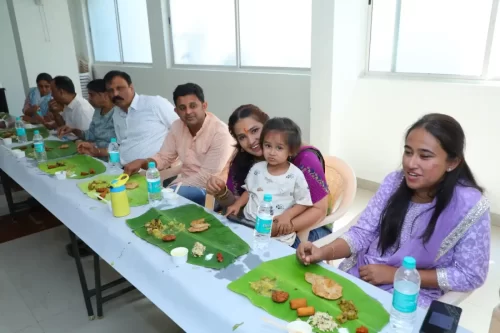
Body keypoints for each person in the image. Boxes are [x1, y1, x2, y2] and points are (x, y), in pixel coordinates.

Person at [296, 113, 491, 308]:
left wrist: (398, 276)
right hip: (364, 275)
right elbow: (362, 233)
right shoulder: (394, 183)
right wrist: (322, 252)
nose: (411, 163)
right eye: (408, 152)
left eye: (424, 156)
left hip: (412, 295)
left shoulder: (469, 206)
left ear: (453, 162)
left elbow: (470, 275)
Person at [206, 105, 331, 248]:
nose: (251, 140)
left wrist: (279, 228)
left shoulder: (304, 159)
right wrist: (221, 192)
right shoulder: (249, 163)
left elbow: (318, 211)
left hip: (306, 229)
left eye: (255, 131)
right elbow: (240, 202)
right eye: (242, 137)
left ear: (267, 126)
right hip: (259, 225)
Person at [124, 83, 235, 206]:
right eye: (182, 108)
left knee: (160, 201)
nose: (188, 112)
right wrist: (142, 162)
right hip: (183, 183)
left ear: (204, 106)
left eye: (193, 106)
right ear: (176, 111)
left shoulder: (221, 134)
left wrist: (172, 189)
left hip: (213, 192)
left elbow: (206, 178)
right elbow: (164, 157)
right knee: (138, 193)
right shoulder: (177, 126)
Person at [225, 118, 313, 246]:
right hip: (247, 225)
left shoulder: (296, 175)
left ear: (291, 151)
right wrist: (237, 205)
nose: (272, 152)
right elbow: (250, 191)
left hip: (276, 234)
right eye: (267, 146)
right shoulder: (257, 169)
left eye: (279, 148)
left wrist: (287, 216)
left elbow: (304, 202)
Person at [103, 70, 179, 165]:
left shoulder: (154, 104)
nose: (115, 94)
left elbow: (182, 130)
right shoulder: (116, 113)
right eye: (110, 90)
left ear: (131, 87)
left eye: (120, 88)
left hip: (152, 171)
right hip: (122, 169)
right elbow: (121, 143)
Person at [57, 79, 116, 160]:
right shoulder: (98, 111)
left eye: (92, 95)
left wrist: (96, 151)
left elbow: (121, 146)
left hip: (112, 159)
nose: (89, 98)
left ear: (105, 95)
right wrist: (73, 130)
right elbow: (89, 135)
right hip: (95, 154)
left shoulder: (117, 114)